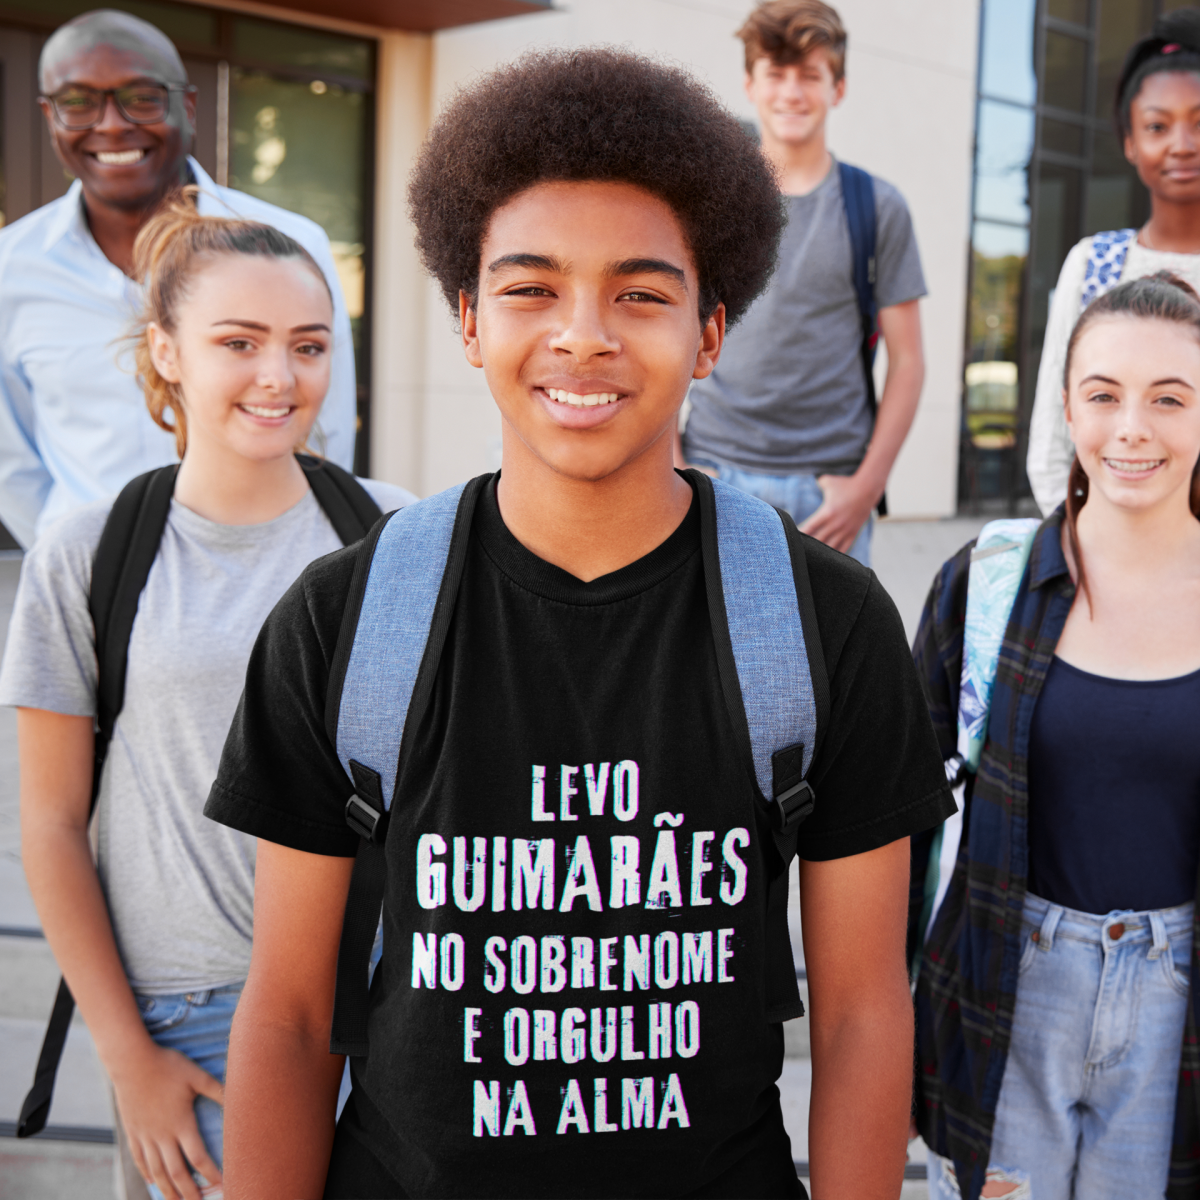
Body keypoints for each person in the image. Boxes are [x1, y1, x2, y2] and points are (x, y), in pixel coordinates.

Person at [204, 47, 954, 1199]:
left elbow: (860, 1013)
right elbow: (296, 1016)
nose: (585, 335)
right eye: (530, 288)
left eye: (642, 293)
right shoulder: (347, 621)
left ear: (710, 332)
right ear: (466, 318)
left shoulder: (822, 622)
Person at [0, 198, 412, 1200]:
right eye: (240, 342)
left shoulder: (400, 533)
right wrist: (128, 1056)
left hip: (388, 1011)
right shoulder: (90, 551)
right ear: (167, 352)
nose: (280, 377)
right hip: (190, 1021)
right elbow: (52, 827)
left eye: (308, 346)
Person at [912, 272, 1200, 1199]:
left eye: (1170, 399)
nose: (1132, 430)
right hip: (1010, 984)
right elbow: (905, 810)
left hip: (1176, 1010)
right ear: (1067, 407)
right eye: (1104, 395)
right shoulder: (989, 584)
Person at [0, 8, 358, 549]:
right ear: (49, 117)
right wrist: (69, 559)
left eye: (141, 97)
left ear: (187, 107)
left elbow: (321, 428)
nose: (112, 124)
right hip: (92, 586)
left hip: (268, 573)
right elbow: (11, 460)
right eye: (78, 102)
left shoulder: (291, 245)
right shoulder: (10, 270)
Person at [677, 0, 926, 567]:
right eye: (776, 73)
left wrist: (867, 487)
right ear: (750, 84)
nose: (792, 92)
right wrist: (676, 462)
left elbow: (909, 362)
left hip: (830, 491)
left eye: (810, 75)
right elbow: (670, 331)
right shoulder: (711, 207)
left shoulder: (877, 207)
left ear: (837, 88)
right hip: (714, 475)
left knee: (830, 657)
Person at [1027, 8, 1200, 515]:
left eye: (1198, 122)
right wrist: (1080, 546)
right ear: (1129, 141)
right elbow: (1050, 441)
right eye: (1157, 125)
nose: (1181, 145)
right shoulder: (1093, 263)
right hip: (1100, 553)